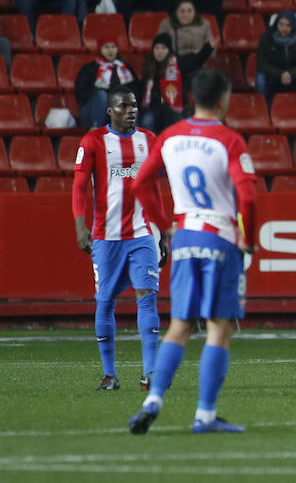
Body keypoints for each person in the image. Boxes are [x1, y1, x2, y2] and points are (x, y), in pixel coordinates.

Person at [128, 68, 258, 434]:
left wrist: (164, 224)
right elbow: (247, 195)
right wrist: (251, 237)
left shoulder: (170, 136)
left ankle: (153, 398)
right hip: (219, 236)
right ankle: (204, 415)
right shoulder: (229, 140)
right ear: (222, 99)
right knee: (218, 327)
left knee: (180, 325)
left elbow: (140, 183)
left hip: (184, 236)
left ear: (191, 99)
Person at [73, 88, 166, 392]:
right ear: (110, 111)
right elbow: (79, 186)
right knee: (105, 301)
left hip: (141, 233)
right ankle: (109, 374)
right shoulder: (93, 142)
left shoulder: (149, 140)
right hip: (106, 237)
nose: (131, 110)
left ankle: (150, 372)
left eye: (134, 105)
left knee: (147, 296)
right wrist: (80, 224)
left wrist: (162, 230)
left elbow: (153, 189)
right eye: (123, 106)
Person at [75, 37, 141, 128]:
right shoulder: (89, 68)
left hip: (118, 112)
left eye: (113, 47)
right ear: (100, 49)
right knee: (101, 95)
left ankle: (132, 134)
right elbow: (80, 94)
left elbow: (136, 92)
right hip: (92, 112)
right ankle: (95, 129)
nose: (110, 51)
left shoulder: (125, 69)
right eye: (106, 47)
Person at [156, 0, 215, 94]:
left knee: (203, 78)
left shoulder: (205, 24)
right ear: (176, 12)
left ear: (195, 12)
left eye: (189, 11)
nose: (186, 14)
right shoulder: (166, 24)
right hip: (173, 64)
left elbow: (212, 49)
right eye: (182, 11)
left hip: (198, 64)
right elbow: (159, 47)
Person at [255, 9, 296, 98]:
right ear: (276, 24)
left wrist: (291, 74)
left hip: (293, 77)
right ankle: (264, 105)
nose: (284, 28)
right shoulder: (266, 38)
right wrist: (280, 74)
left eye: (288, 25)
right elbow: (261, 64)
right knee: (260, 78)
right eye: (281, 24)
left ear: (293, 26)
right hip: (273, 76)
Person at [140, 33, 184, 132]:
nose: (160, 51)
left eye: (164, 48)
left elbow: (195, 60)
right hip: (151, 106)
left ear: (169, 50)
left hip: (169, 108)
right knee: (146, 121)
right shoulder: (148, 65)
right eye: (157, 48)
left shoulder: (176, 66)